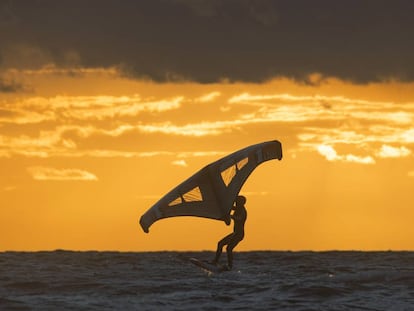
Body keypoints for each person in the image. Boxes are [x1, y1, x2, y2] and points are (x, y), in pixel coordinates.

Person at [212, 195, 247, 270]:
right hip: (235, 233)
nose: (236, 202)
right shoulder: (237, 209)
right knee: (220, 244)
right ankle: (215, 262)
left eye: (237, 201)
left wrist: (231, 216)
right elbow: (230, 207)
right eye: (236, 201)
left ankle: (229, 266)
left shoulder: (242, 211)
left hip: (239, 234)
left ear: (242, 203)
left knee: (229, 248)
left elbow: (239, 218)